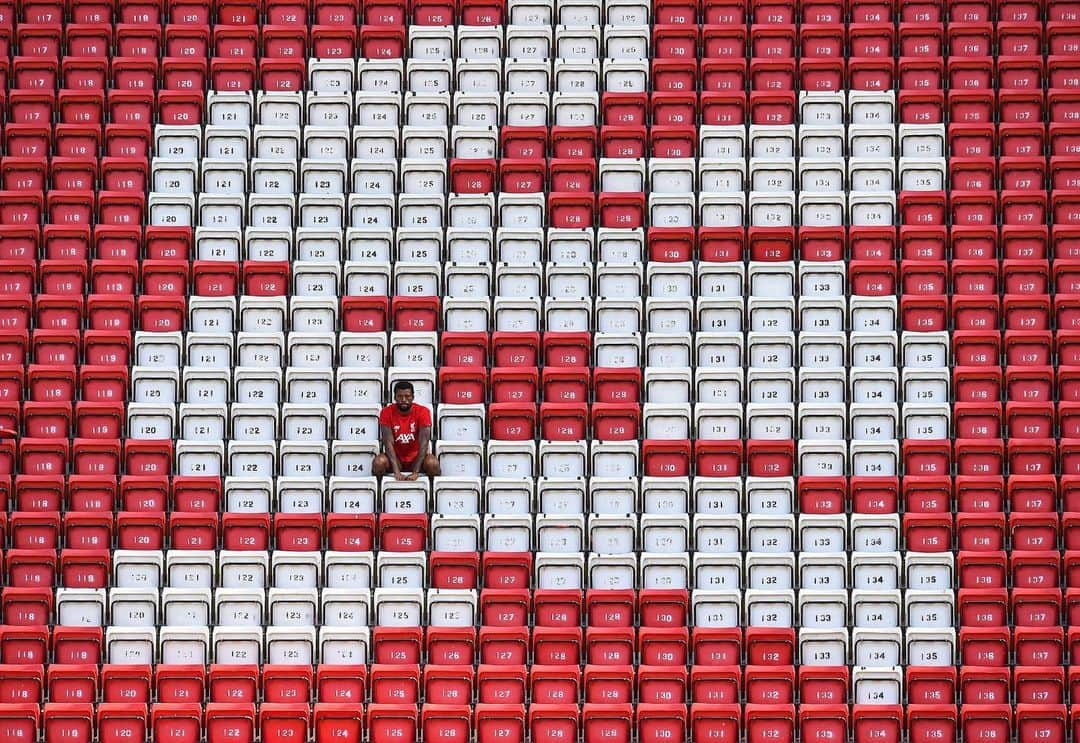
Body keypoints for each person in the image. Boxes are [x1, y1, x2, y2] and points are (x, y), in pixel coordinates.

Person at [372, 380, 441, 480]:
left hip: (416, 459)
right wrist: (396, 472)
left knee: (433, 464)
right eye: (400, 396)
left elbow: (424, 443)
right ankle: (380, 492)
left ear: (413, 397)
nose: (404, 399)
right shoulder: (386, 412)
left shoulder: (423, 412)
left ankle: (432, 492)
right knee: (379, 463)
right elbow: (388, 443)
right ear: (394, 397)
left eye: (407, 396)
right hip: (397, 459)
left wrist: (415, 472)